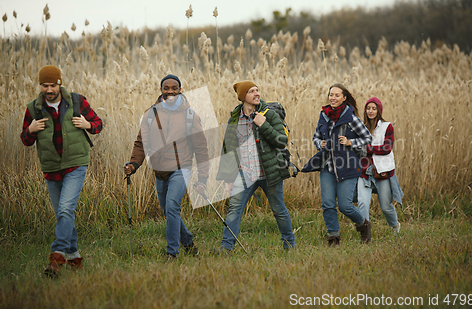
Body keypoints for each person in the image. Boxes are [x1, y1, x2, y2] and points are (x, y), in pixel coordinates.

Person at [20, 65, 103, 277]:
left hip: (76, 164)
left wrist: (86, 124)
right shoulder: (33, 109)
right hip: (51, 169)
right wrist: (30, 130)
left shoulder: (77, 101)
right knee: (63, 215)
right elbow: (25, 140)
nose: (49, 89)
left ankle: (56, 259)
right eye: (45, 85)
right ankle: (75, 259)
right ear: (40, 85)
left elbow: (98, 124)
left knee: (66, 209)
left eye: (53, 85)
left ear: (60, 83)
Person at [124, 74, 209, 260]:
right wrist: (133, 164)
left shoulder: (190, 116)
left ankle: (172, 253)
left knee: (172, 206)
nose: (170, 91)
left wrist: (203, 178)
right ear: (161, 90)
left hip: (182, 168)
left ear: (180, 90)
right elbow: (141, 143)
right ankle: (187, 242)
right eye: (166, 88)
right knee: (167, 211)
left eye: (174, 88)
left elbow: (201, 149)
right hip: (159, 170)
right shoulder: (150, 114)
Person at [215, 81, 295, 252]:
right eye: (252, 91)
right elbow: (228, 148)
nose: (257, 93)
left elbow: (282, 141)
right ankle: (226, 247)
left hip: (269, 173)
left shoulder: (269, 115)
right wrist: (229, 178)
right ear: (243, 97)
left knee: (279, 210)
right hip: (245, 174)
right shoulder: (234, 119)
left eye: (257, 90)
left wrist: (263, 124)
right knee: (234, 210)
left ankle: (289, 245)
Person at [302, 83, 372, 245]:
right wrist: (320, 144)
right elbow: (316, 137)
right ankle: (333, 236)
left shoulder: (351, 118)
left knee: (345, 206)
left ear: (344, 98)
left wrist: (350, 142)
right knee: (327, 204)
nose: (333, 98)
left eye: (337, 95)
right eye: (331, 95)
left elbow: (367, 138)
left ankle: (364, 225)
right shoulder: (324, 115)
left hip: (347, 166)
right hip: (327, 166)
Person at [357, 97, 403, 235]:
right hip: (364, 172)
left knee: (385, 206)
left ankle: (395, 227)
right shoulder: (360, 127)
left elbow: (387, 148)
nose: (370, 111)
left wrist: (368, 148)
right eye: (368, 108)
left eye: (374, 108)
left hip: (382, 171)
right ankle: (365, 234)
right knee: (363, 204)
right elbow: (357, 148)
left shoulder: (387, 126)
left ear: (379, 110)